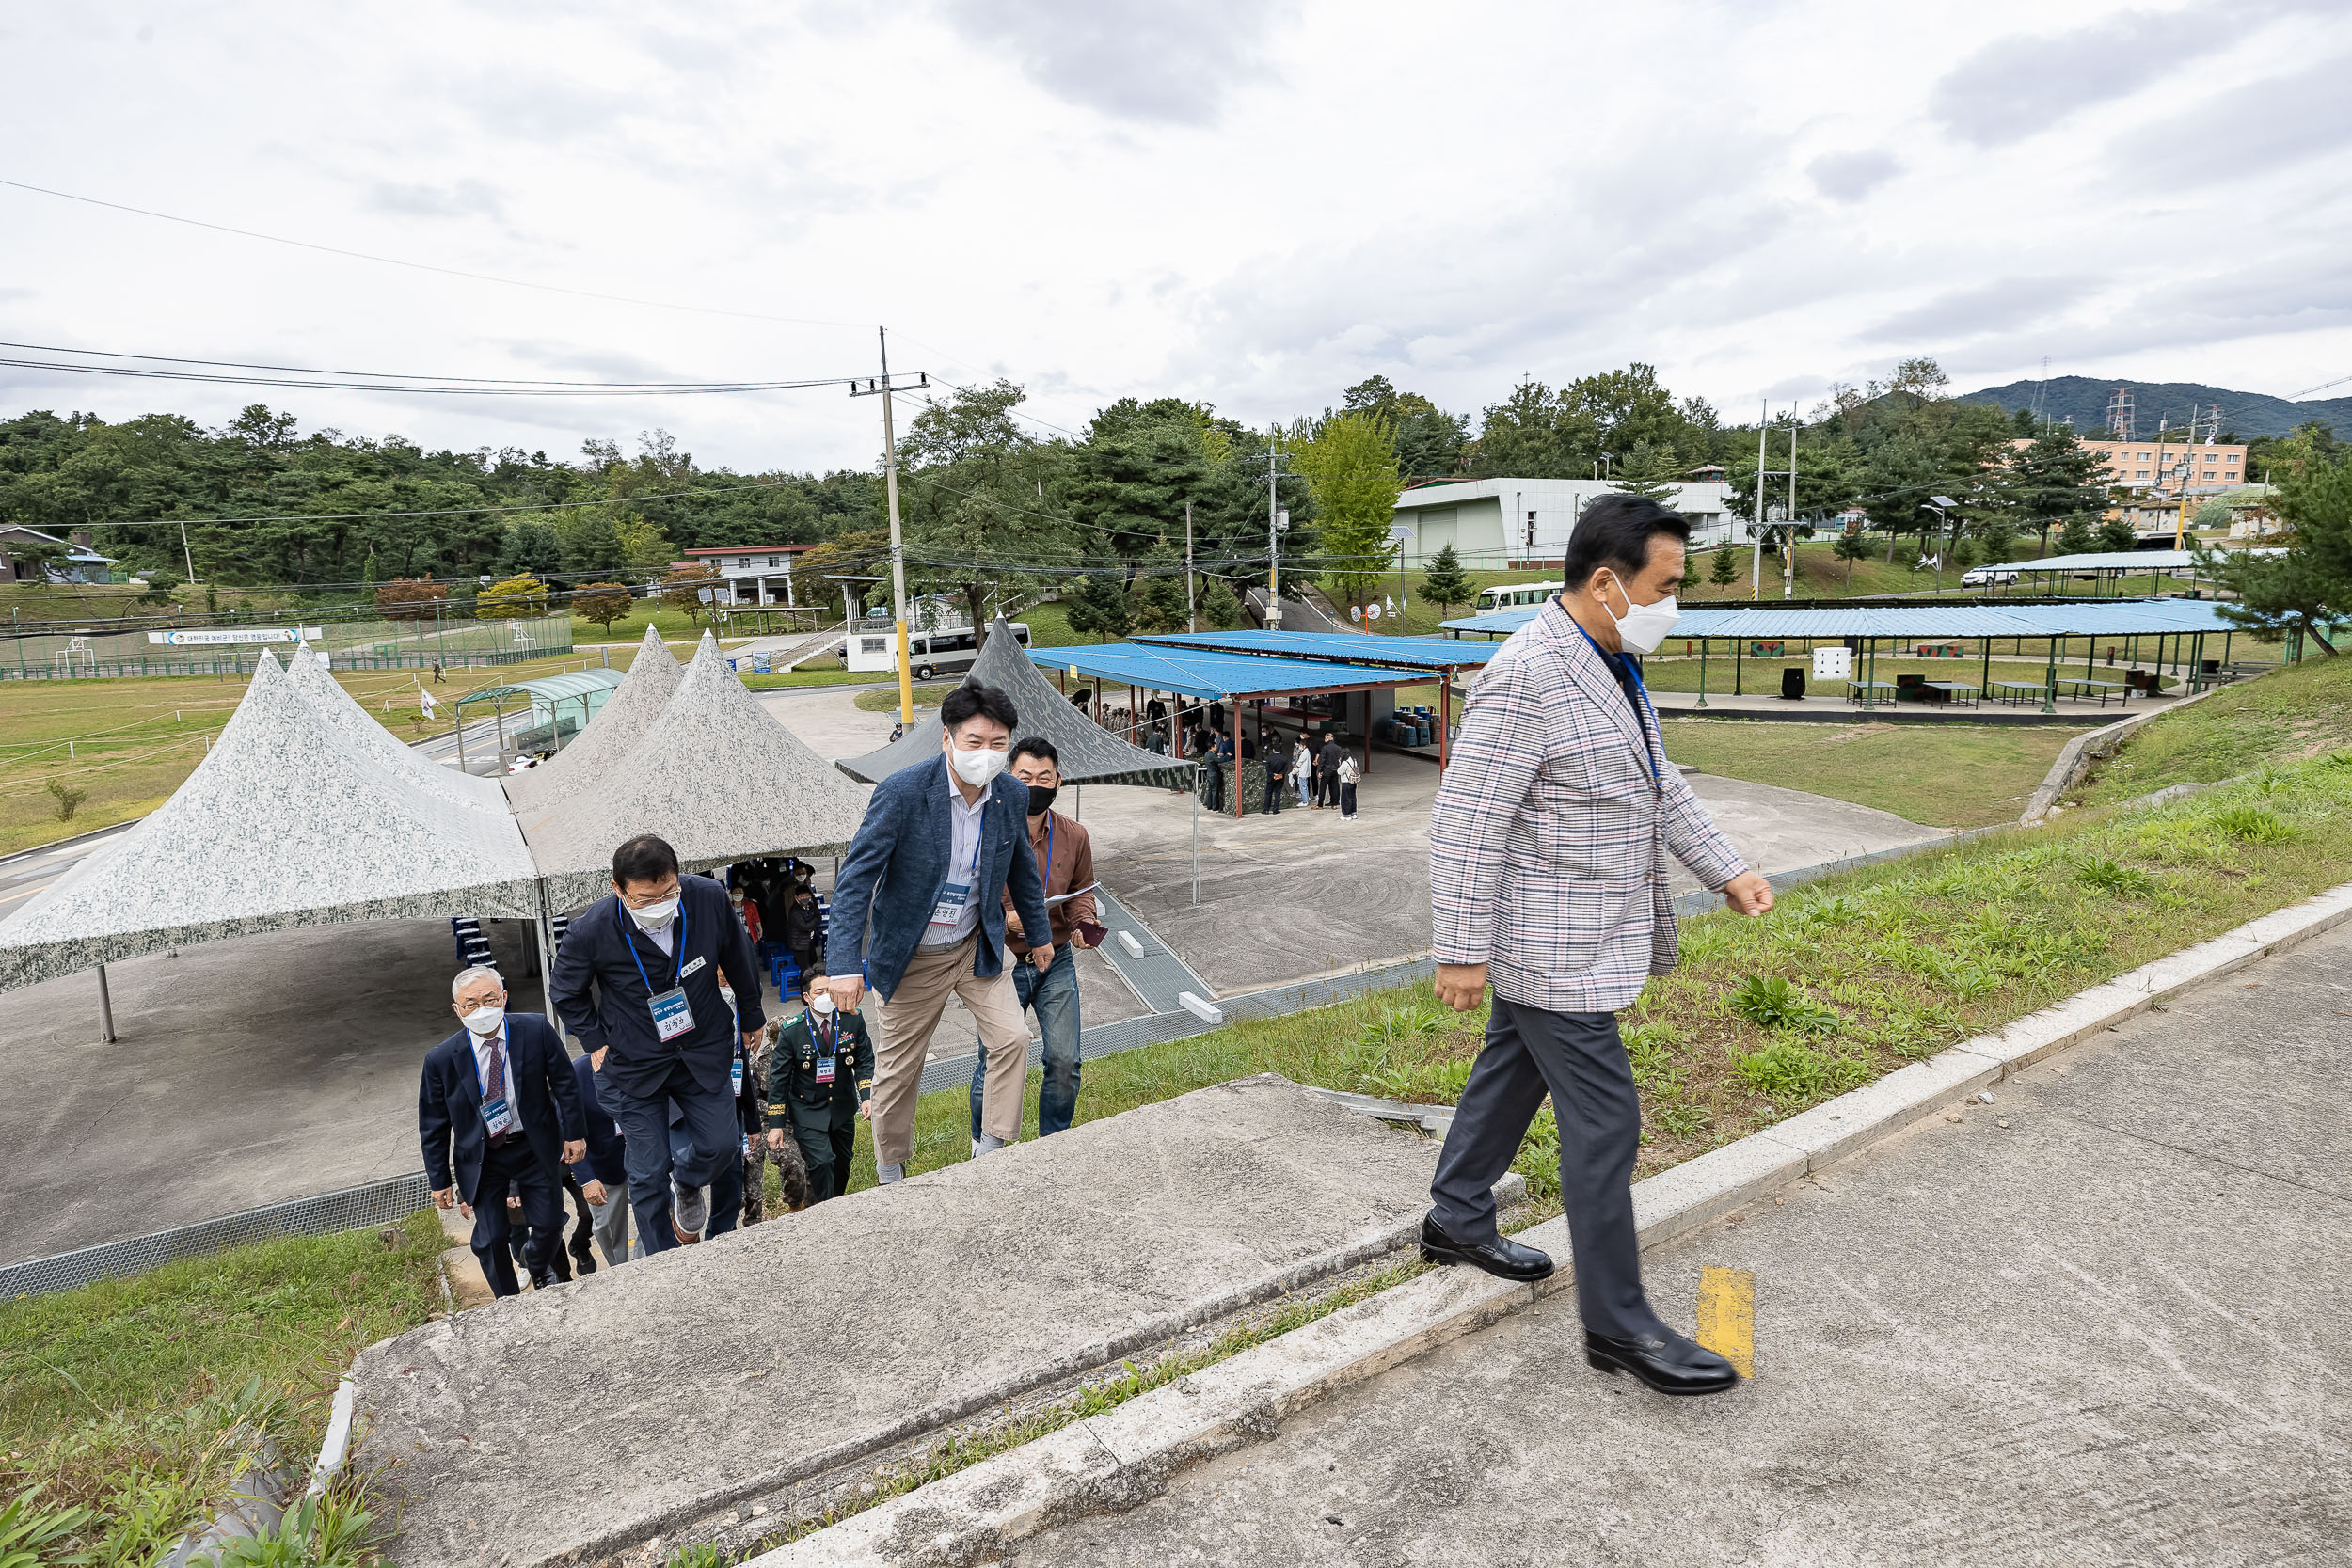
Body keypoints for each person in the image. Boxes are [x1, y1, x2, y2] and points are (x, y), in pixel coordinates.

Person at [1422, 493, 1774, 1399]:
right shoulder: (1528, 675)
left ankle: (1458, 1215)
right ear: (1609, 583)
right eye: (1668, 585)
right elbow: (1468, 821)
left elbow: (1660, 786)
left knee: (1512, 1067)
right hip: (1551, 944)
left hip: (1583, 932)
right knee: (1608, 1121)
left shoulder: (1610, 658)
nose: (1676, 604)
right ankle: (1618, 1324)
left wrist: (1725, 869)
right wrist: (1460, 947)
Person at [825, 682, 1051, 1183]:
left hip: (975, 946)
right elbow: (856, 880)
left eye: (998, 744)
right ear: (947, 741)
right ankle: (890, 1172)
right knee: (898, 1072)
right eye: (975, 742)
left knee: (1012, 1039)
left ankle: (990, 1151)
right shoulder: (903, 792)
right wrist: (841, 964)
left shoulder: (1011, 793)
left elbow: (1022, 871)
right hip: (912, 956)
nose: (987, 754)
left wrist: (1039, 936)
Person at [550, 833, 766, 1252]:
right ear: (618, 889)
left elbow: (737, 956)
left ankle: (686, 1180)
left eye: (668, 892)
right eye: (645, 899)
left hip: (702, 1047)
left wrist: (752, 1014)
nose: (660, 904)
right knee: (648, 1172)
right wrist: (594, 1040)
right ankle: (661, 1261)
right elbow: (565, 992)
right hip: (634, 1061)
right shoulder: (591, 930)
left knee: (721, 1146)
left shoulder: (706, 898)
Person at [419, 967, 585, 1298]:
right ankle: (507, 1303)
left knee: (550, 1223)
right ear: (457, 1010)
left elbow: (566, 1083)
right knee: (492, 1238)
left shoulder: (535, 1029)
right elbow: (433, 1124)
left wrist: (575, 1133)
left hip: (534, 1147)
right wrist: (439, 1181)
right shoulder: (440, 1059)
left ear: (504, 998)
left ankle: (534, 1262)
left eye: (489, 999)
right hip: (483, 1157)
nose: (481, 1010)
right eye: (470, 1004)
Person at [967, 737, 1097, 1142]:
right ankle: (982, 1143)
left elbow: (1081, 891)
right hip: (1002, 961)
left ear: (1058, 781)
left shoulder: (1074, 835)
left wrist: (1083, 925)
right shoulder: (983, 828)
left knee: (1064, 1059)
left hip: (1055, 959)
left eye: (1044, 777)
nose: (1035, 785)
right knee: (995, 1058)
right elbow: (965, 895)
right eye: (1025, 777)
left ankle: (1053, 1143)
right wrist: (1005, 920)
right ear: (1008, 778)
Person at [765, 964, 873, 1201]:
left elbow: (864, 1060)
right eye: (818, 992)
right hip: (808, 1109)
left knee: (843, 1163)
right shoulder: (792, 1031)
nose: (825, 996)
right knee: (822, 1162)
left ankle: (834, 1200)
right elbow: (779, 1079)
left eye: (828, 990)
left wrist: (866, 1097)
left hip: (842, 1107)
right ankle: (824, 1210)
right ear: (806, 997)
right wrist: (776, 1124)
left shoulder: (851, 1020)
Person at [569, 1048, 637, 1267]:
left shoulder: (641, 1056)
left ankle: (647, 1264)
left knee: (658, 1212)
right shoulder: (578, 1073)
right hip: (604, 1162)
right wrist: (586, 1178)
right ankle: (620, 1271)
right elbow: (568, 1129)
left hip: (645, 1155)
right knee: (606, 1227)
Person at [784, 883, 822, 982]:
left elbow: (819, 919)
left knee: (812, 963)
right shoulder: (795, 911)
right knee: (805, 970)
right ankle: (803, 992)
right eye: (802, 896)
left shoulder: (810, 905)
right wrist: (815, 920)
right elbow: (804, 927)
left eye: (807, 895)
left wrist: (815, 920)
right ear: (796, 897)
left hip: (809, 941)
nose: (805, 898)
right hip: (799, 945)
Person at [1317, 733, 1345, 810]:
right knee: (1335, 786)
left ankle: (1320, 805)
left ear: (1328, 738)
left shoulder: (1325, 748)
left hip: (1326, 770)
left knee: (1323, 787)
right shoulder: (1339, 748)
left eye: (1325, 738)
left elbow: (1322, 760)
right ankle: (1334, 803)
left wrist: (1320, 770)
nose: (1324, 740)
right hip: (1335, 770)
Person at [1337, 749, 1360, 820]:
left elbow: (1339, 772)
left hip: (1346, 782)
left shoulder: (1345, 763)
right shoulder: (1354, 761)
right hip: (1353, 781)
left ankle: (1346, 815)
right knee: (1353, 797)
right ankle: (1353, 813)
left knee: (1345, 799)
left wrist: (1339, 763)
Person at [1292, 737, 1313, 807]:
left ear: (1304, 746)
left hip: (1303, 772)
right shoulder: (1307, 752)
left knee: (1302, 787)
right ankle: (1306, 799)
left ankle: (1305, 801)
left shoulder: (1305, 753)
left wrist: (1295, 766)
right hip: (1305, 772)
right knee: (1305, 786)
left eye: (1301, 745)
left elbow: (1300, 762)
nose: (1300, 746)